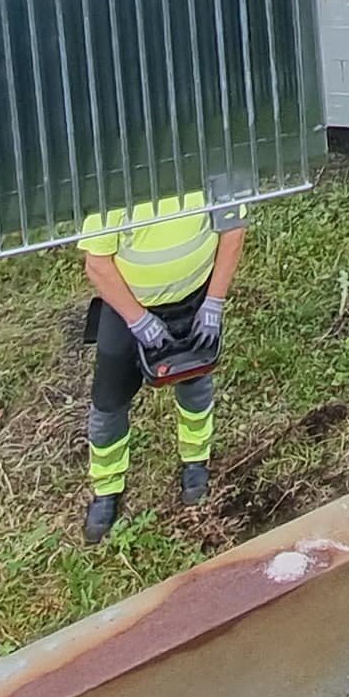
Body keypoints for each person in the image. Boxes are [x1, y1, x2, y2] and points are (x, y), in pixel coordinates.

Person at [82, 190, 244, 545]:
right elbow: (97, 264)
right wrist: (138, 319)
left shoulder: (209, 170)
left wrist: (214, 302)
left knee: (196, 385)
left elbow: (233, 230)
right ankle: (107, 490)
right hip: (128, 309)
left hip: (195, 300)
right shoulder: (114, 185)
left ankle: (196, 462)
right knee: (109, 402)